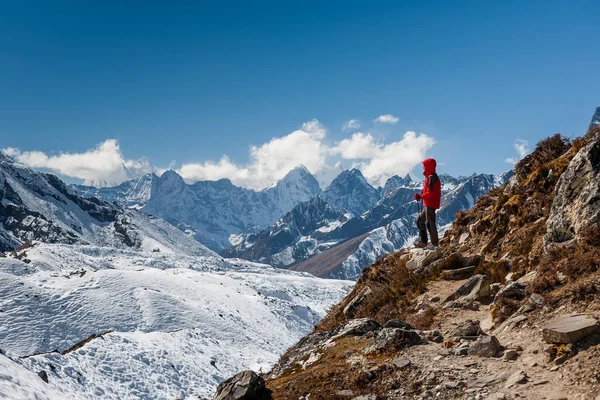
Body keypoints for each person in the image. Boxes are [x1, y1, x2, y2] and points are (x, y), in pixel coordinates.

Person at [414, 158, 441, 248]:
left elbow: (431, 193)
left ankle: (434, 243)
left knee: (430, 223)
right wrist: (422, 192)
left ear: (428, 167)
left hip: (430, 203)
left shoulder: (432, 178)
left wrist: (421, 196)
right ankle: (424, 242)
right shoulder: (430, 177)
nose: (423, 168)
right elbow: (429, 190)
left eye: (424, 166)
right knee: (420, 221)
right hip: (428, 203)